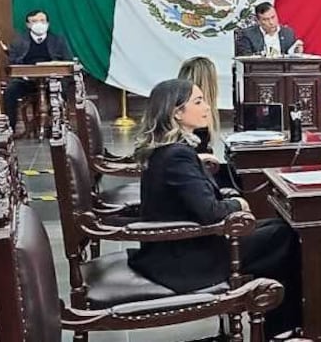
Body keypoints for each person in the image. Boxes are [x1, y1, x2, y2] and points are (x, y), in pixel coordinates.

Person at [126, 79, 301, 337]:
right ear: (176, 113)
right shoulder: (177, 156)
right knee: (286, 237)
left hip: (180, 247)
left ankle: (275, 326)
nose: (207, 107)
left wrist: (197, 159)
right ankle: (283, 326)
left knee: (279, 228)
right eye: (198, 102)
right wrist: (238, 203)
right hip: (184, 258)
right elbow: (210, 211)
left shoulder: (171, 150)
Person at [4, 9, 74, 134]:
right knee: (10, 92)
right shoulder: (18, 42)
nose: (39, 24)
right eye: (35, 21)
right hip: (26, 81)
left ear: (47, 23)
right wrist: (24, 75)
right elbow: (13, 63)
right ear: (28, 25)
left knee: (63, 89)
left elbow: (67, 61)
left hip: (53, 81)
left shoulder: (58, 40)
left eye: (42, 21)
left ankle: (59, 126)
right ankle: (10, 129)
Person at [236, 2, 303, 57]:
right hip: (259, 71)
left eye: (273, 17)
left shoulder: (288, 33)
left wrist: (296, 52)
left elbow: (292, 57)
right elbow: (245, 60)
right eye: (266, 19)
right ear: (258, 21)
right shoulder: (247, 35)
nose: (271, 22)